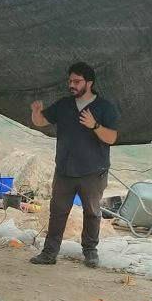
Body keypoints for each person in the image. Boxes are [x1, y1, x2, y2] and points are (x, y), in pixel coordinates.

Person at [28, 62, 119, 269]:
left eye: (77, 81)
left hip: (93, 172)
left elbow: (112, 138)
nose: (72, 85)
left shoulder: (104, 107)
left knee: (92, 213)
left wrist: (94, 125)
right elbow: (41, 122)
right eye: (70, 81)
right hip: (64, 170)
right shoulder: (64, 105)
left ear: (89, 83)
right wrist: (36, 112)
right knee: (57, 212)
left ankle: (90, 252)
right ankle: (49, 253)